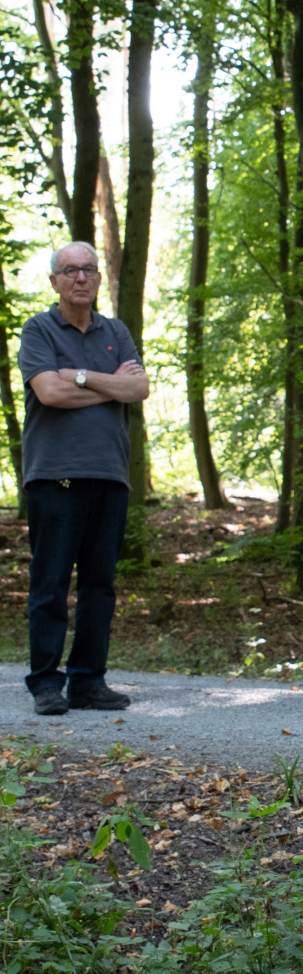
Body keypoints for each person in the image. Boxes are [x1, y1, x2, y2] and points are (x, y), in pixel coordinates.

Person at [18, 241, 148, 715]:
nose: (80, 278)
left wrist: (77, 376)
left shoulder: (115, 330)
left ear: (97, 277)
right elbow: (49, 394)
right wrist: (109, 384)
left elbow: (139, 387)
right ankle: (45, 684)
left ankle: (88, 681)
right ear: (54, 280)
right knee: (51, 582)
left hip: (109, 474)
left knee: (99, 584)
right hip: (54, 475)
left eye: (89, 269)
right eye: (70, 270)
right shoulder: (38, 329)